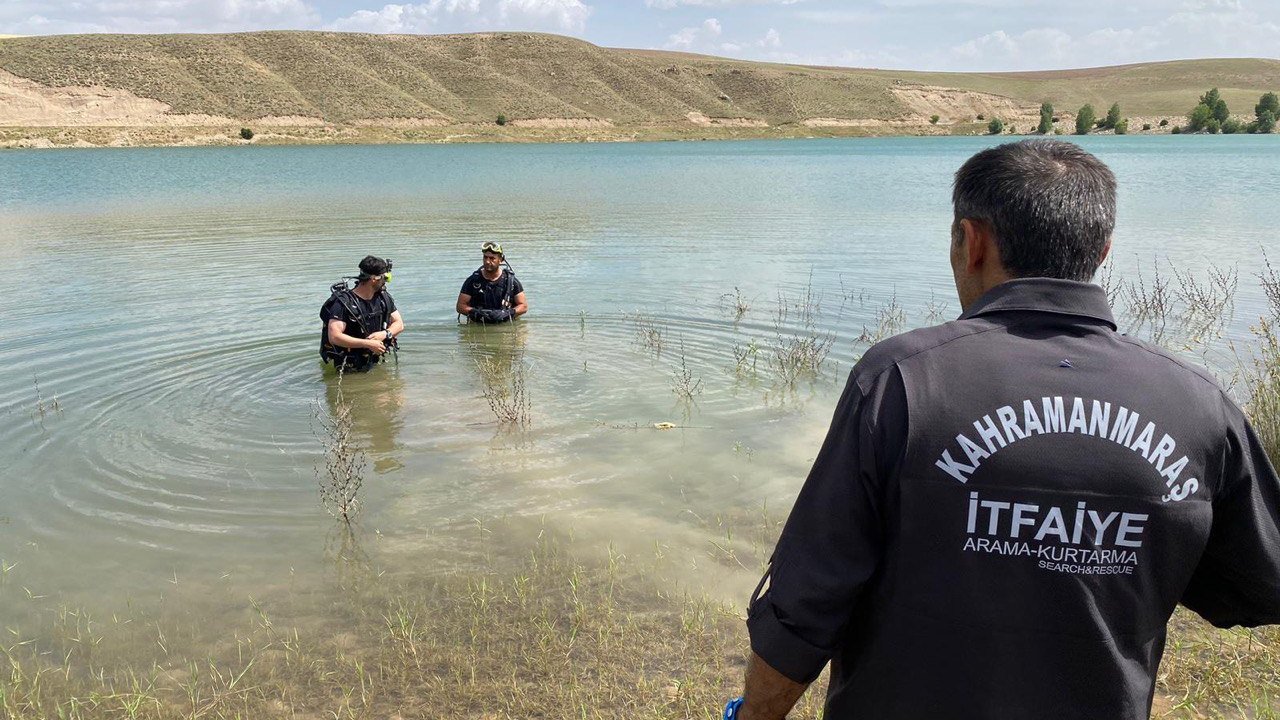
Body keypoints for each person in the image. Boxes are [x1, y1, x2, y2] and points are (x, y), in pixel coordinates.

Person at [730, 140, 1280, 720]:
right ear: (1103, 250)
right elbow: (1260, 583)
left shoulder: (901, 381)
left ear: (972, 242)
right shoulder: (1196, 403)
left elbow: (805, 602)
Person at [320, 255, 404, 372]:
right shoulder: (343, 303)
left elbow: (399, 324)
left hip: (374, 359)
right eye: (386, 278)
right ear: (374, 278)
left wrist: (385, 334)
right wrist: (367, 344)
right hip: (347, 366)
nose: (386, 281)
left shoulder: (383, 298)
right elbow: (334, 337)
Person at [456, 241, 527, 324]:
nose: (487, 261)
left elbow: (523, 306)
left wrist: (507, 313)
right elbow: (460, 306)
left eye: (492, 258)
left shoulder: (511, 282)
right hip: (479, 326)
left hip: (504, 326)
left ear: (501, 260)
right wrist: (476, 313)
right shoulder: (473, 281)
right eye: (485, 257)